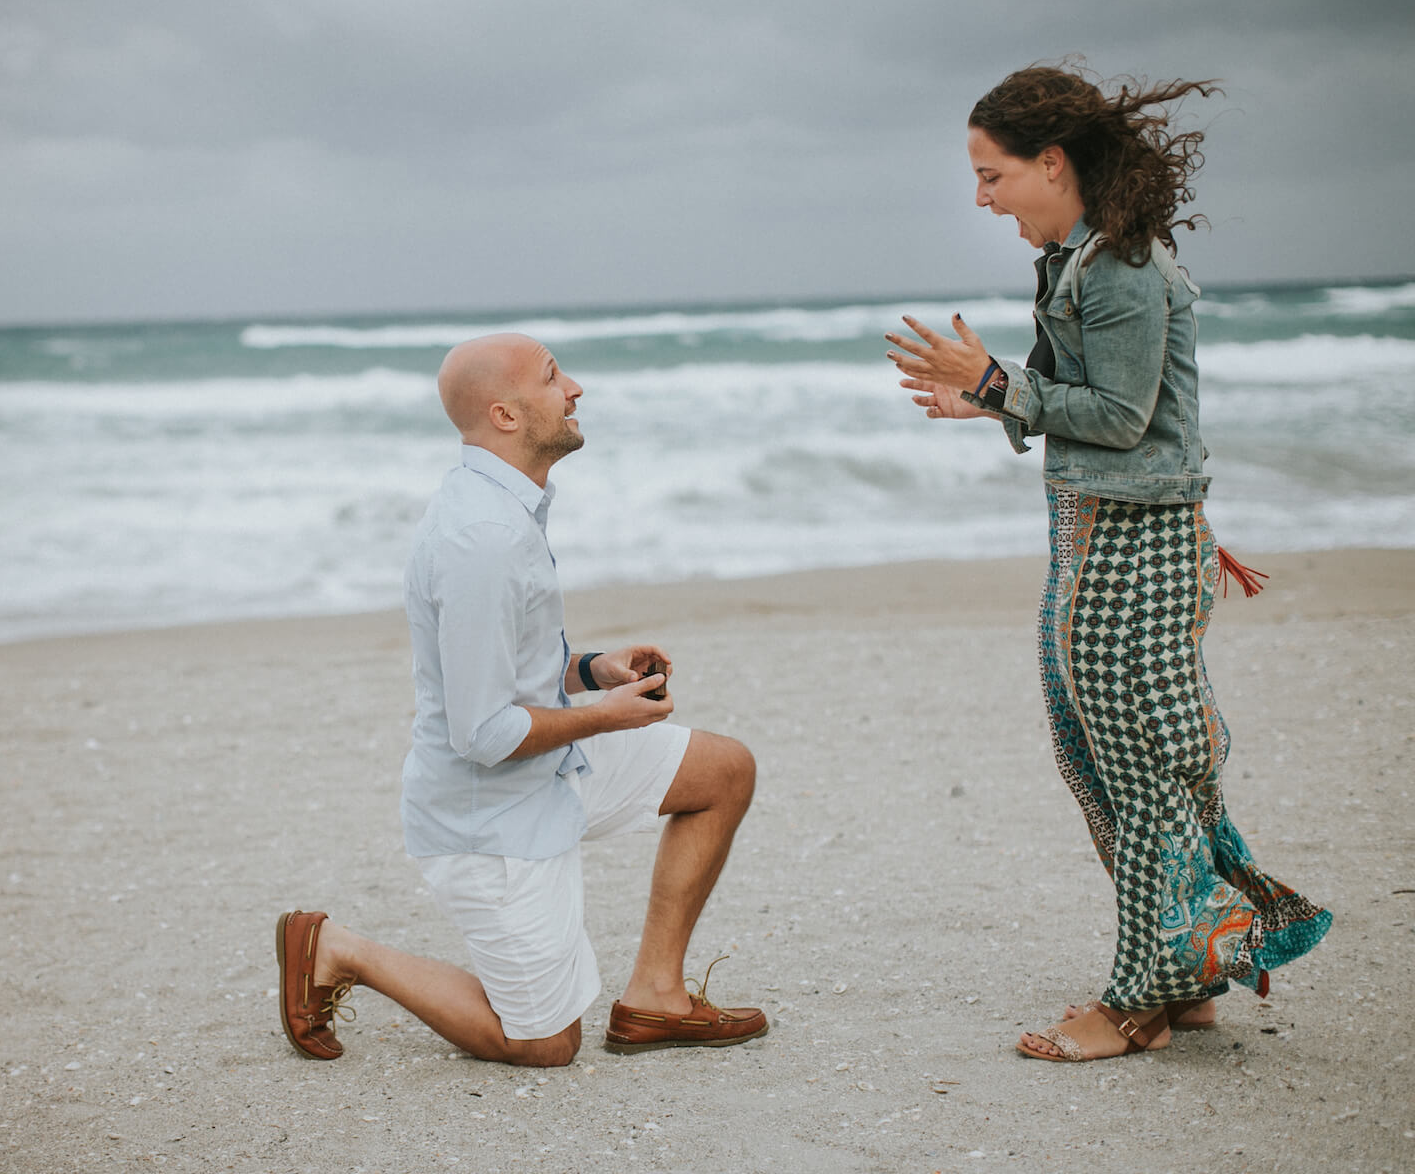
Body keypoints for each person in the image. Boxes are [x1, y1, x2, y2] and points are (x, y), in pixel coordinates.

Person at [884, 65, 1331, 1062]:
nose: (981, 198)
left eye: (992, 175)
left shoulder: (1121, 265)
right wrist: (989, 399)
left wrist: (996, 379)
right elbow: (1095, 404)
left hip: (1134, 543)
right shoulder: (1078, 259)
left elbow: (1123, 420)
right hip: (1105, 535)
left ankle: (1138, 1002)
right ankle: (1194, 968)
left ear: (1052, 163)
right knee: (1120, 760)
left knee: (1138, 767)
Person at [276, 332, 768, 1067]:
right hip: (490, 819)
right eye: (552, 377)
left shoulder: (507, 506)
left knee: (723, 771)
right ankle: (341, 950)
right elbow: (481, 731)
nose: (575, 388)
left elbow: (509, 668)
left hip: (549, 772)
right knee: (542, 1044)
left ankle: (656, 998)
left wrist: (594, 669)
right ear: (505, 415)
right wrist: (606, 718)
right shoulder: (484, 539)